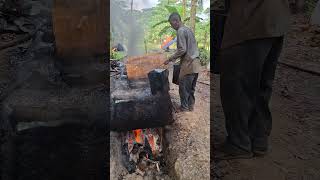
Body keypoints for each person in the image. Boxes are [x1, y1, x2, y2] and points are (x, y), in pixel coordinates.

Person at [215, 0, 291, 160]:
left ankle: (239, 144)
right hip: (276, 19)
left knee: (237, 88)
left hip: (248, 22)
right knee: (261, 85)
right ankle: (258, 140)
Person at [164, 12, 201, 112]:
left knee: (184, 88)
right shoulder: (188, 30)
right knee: (191, 89)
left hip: (188, 64)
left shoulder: (180, 31)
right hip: (196, 64)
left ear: (176, 21)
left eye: (172, 24)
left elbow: (182, 49)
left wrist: (170, 58)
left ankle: (184, 109)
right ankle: (190, 107)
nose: (172, 27)